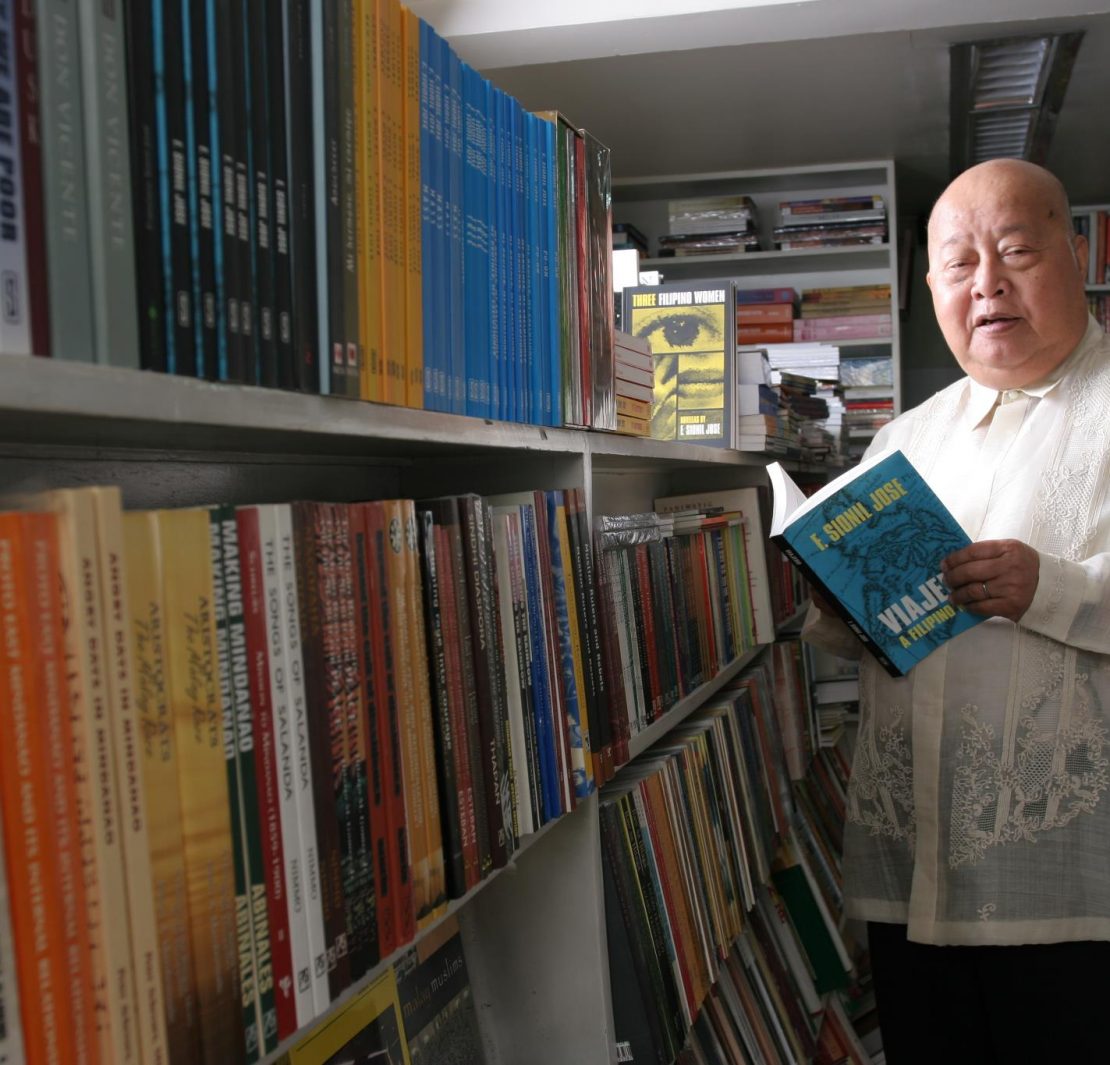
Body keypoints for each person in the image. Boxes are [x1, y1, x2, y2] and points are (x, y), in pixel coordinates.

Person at [802, 158, 1110, 1063]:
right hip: (912, 874)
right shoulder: (905, 436)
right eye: (958, 262)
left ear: (1077, 250)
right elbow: (863, 632)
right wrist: (833, 597)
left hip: (1073, 883)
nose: (987, 283)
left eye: (1015, 250)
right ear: (930, 284)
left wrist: (1051, 586)